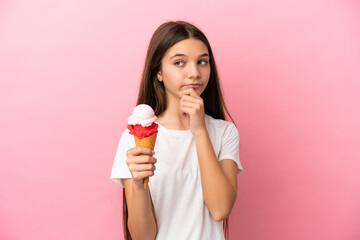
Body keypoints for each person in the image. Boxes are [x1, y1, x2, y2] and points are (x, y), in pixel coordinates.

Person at [110, 20, 244, 240]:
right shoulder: (132, 138)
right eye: (179, 63)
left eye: (202, 61)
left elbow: (220, 209)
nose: (194, 73)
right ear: (158, 73)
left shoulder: (224, 132)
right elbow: (143, 237)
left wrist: (199, 129)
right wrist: (138, 184)